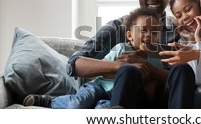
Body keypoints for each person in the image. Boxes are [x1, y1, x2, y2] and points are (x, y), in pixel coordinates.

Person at [22, 8, 164, 108]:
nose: (149, 35)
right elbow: (103, 68)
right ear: (129, 35)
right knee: (77, 104)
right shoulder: (121, 48)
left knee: (105, 109)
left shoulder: (156, 58)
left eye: (155, 32)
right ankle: (49, 101)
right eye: (144, 30)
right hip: (100, 87)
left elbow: (159, 78)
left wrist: (154, 84)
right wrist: (121, 69)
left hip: (118, 97)